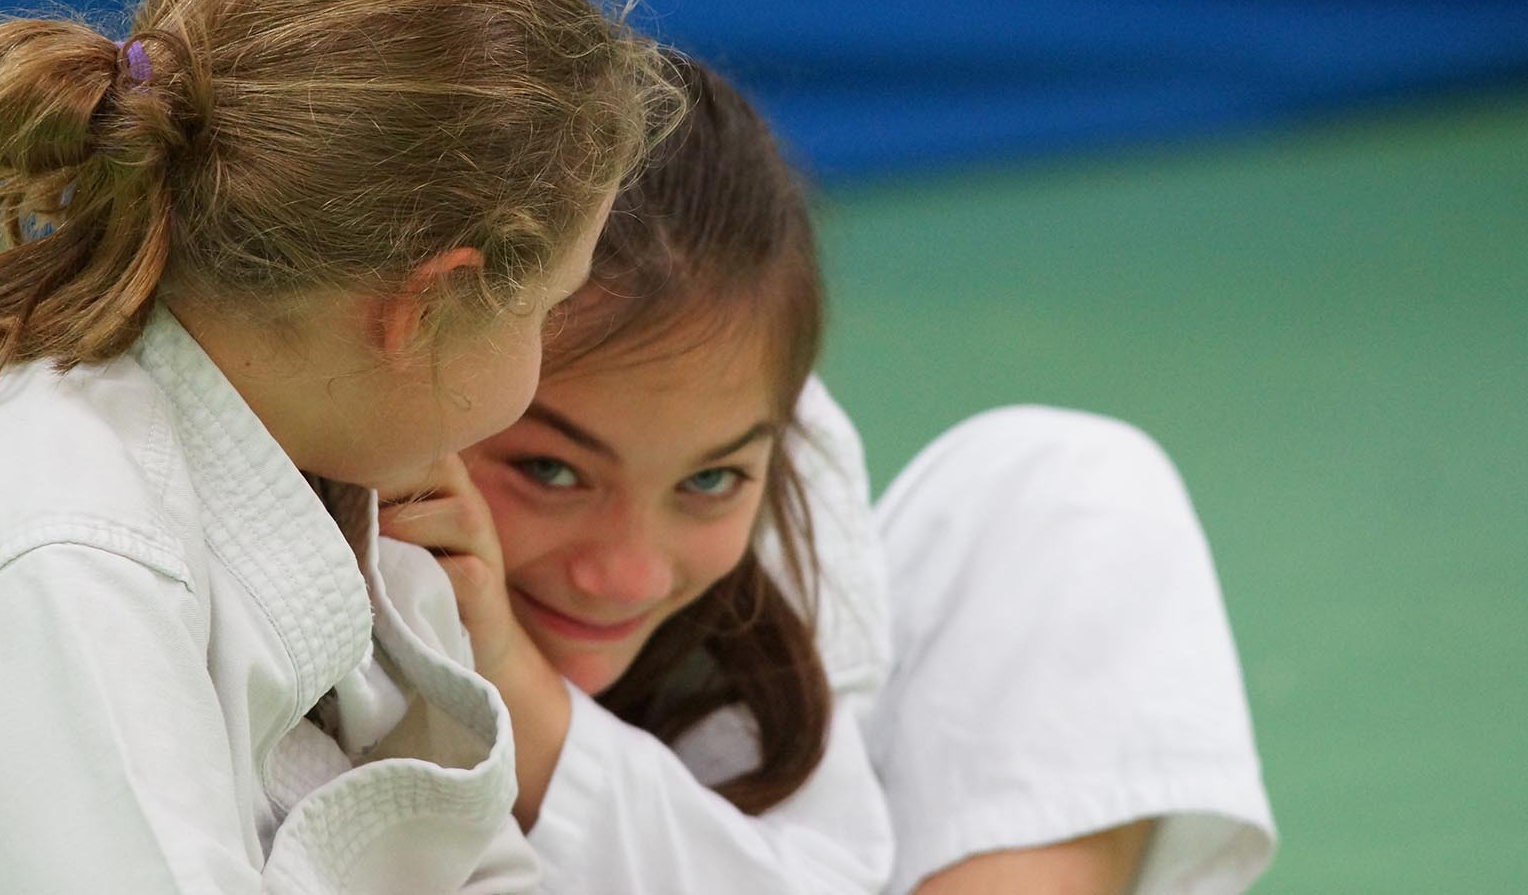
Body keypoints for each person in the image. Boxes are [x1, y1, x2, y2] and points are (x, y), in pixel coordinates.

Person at [0, 0, 679, 893]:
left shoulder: (330, 470)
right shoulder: (48, 544)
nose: (541, 348)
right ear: (426, 306)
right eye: (548, 306)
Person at [390, 55, 1276, 893]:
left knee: (1073, 488)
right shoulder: (341, 494)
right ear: (412, 352)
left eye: (712, 482)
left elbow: (818, 875)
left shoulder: (783, 485)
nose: (628, 573)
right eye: (551, 469)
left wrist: (518, 686)